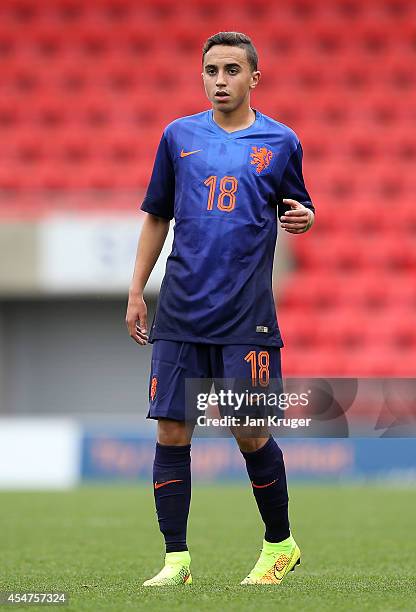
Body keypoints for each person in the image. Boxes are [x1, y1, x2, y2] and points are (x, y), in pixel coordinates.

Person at [126, 31, 314, 587]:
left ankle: (280, 544)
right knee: (170, 432)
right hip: (180, 310)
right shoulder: (177, 136)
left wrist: (304, 218)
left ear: (254, 78)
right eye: (211, 70)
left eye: (232, 70)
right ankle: (176, 561)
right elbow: (157, 215)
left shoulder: (281, 142)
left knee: (248, 431)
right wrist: (137, 290)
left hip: (245, 315)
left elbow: (298, 206)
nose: (220, 81)